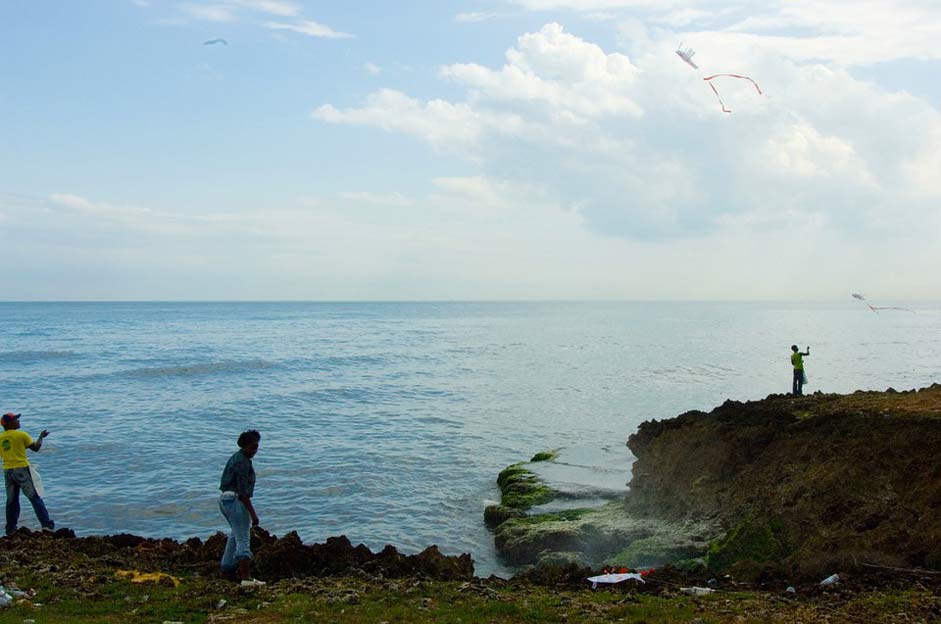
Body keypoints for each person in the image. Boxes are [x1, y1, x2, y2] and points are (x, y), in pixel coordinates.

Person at [219, 429, 265, 587]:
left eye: (256, 447)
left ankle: (226, 568)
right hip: (235, 500)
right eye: (252, 447)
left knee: (235, 534)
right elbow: (243, 493)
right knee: (243, 538)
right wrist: (253, 515)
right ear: (244, 446)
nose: (254, 451)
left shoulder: (237, 457)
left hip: (225, 499)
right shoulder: (242, 462)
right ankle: (246, 579)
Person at [1, 412, 55, 535]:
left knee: (11, 502)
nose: (19, 421)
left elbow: (11, 448)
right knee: (34, 498)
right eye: (16, 419)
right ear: (9, 423)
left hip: (7, 471)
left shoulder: (1, 437)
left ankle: (10, 529)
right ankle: (47, 525)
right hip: (21, 470)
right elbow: (35, 448)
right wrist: (41, 437)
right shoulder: (21, 435)